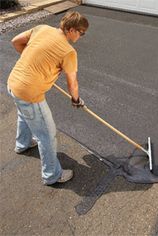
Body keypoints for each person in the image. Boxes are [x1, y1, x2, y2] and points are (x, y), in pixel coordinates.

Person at [7, 11, 89, 185]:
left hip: (13, 83)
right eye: (81, 33)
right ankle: (52, 175)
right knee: (47, 134)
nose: (82, 36)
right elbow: (72, 84)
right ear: (72, 30)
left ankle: (22, 144)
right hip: (29, 93)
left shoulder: (41, 28)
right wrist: (76, 100)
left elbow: (16, 41)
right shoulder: (68, 51)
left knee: (25, 113)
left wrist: (34, 65)